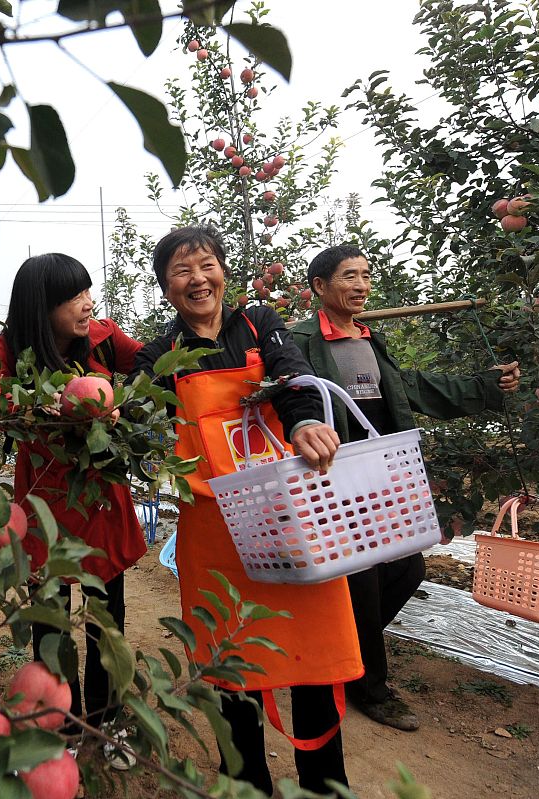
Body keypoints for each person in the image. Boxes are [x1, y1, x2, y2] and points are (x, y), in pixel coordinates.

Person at [131, 226, 360, 796]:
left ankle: (325, 786)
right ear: (166, 289)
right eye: (181, 272)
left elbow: (290, 375)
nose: (197, 279)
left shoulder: (260, 324)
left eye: (205, 265)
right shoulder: (160, 356)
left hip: (289, 522)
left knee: (314, 659)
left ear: (223, 271)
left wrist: (306, 417)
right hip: (215, 535)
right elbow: (128, 407)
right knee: (232, 668)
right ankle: (247, 783)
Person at [291, 244, 521, 732]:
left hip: (383, 478)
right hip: (333, 481)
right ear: (320, 287)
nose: (361, 285)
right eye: (348, 276)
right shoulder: (300, 342)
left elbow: (414, 388)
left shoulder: (372, 344)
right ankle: (371, 687)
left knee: (408, 568)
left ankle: (344, 656)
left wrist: (484, 385)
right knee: (364, 580)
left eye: (365, 275)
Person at [0, 253, 146, 764]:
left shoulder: (102, 337)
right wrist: (36, 405)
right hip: (46, 505)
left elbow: (148, 365)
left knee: (106, 617)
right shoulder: (12, 349)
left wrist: (119, 399)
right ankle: (61, 725)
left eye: (87, 293)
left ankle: (107, 717)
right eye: (74, 297)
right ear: (41, 306)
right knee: (51, 620)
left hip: (99, 502)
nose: (86, 304)